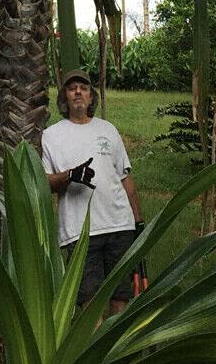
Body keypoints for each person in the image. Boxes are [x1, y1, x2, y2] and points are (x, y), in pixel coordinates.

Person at [41, 68, 143, 316]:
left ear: (91, 97)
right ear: (64, 97)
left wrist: (138, 223)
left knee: (120, 297)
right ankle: (94, 342)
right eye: (72, 88)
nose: (78, 92)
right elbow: (44, 183)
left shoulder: (108, 129)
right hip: (80, 231)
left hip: (120, 225)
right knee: (89, 302)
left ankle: (116, 343)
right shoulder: (50, 136)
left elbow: (125, 179)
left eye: (84, 88)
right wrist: (69, 176)